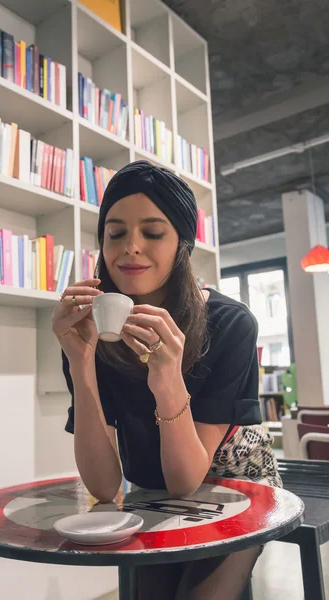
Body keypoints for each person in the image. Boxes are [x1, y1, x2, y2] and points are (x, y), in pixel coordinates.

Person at [51, 160, 282, 600]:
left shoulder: (230, 324)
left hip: (236, 488)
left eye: (153, 233)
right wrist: (80, 363)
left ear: (182, 244)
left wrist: (168, 378)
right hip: (153, 492)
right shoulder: (88, 331)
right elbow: (103, 487)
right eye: (115, 233)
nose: (130, 247)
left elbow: (187, 480)